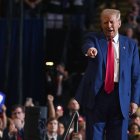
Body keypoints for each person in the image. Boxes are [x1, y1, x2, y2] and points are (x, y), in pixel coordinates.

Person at [75, 8, 140, 140]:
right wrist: (90, 49)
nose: (108, 26)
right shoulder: (94, 39)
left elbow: (136, 75)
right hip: (97, 97)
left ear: (119, 23)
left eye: (111, 22)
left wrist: (134, 100)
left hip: (120, 98)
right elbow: (87, 44)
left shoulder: (131, 45)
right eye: (105, 23)